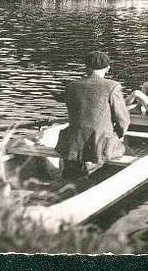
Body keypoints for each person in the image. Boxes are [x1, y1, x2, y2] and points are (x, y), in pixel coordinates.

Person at [56, 51, 131, 179]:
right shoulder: (113, 87)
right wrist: (118, 135)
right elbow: (123, 121)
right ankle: (101, 175)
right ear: (108, 68)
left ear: (86, 68)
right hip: (100, 145)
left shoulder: (71, 87)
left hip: (72, 144)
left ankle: (75, 170)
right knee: (127, 150)